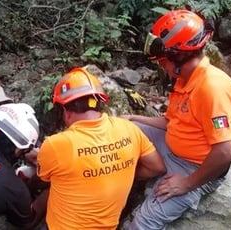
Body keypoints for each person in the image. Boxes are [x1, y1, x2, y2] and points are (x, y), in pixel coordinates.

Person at [123, 9, 231, 229]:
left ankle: (156, 177)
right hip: (173, 144)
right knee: (123, 129)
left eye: (162, 60)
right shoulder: (185, 78)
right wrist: (133, 118)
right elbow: (172, 123)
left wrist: (187, 184)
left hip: (195, 167)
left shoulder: (212, 88)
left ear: (178, 55)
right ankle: (145, 171)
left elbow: (226, 152)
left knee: (141, 223)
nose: (160, 65)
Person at [35, 67, 166, 229]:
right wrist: (121, 170)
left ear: (65, 110)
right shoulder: (129, 129)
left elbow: (43, 178)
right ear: (100, 103)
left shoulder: (56, 145)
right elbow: (157, 167)